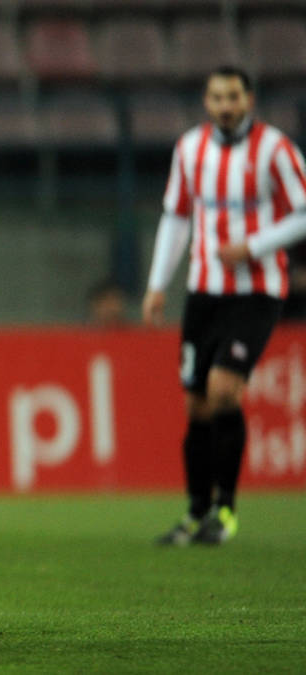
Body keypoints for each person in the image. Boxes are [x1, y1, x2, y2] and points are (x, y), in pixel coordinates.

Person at [144, 65, 306, 546]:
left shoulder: (275, 149)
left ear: (249, 99)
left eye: (233, 96)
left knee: (223, 391)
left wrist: (254, 246)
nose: (225, 106)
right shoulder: (189, 149)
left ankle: (226, 509)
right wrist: (157, 284)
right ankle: (195, 513)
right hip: (204, 290)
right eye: (217, 97)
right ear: (206, 101)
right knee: (195, 404)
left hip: (257, 290)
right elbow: (176, 217)